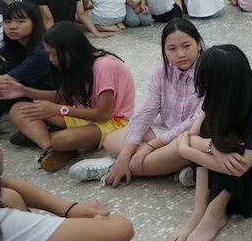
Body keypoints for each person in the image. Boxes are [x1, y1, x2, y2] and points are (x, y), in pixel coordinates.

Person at [0, 109, 215, 241]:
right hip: (142, 134)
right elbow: (121, 229)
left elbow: (6, 185)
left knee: (9, 195)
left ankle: (118, 165)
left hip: (124, 129)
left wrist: (70, 209)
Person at [167, 45, 252, 241]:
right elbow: (193, 134)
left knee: (232, 146)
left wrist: (186, 151)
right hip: (242, 157)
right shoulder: (224, 88)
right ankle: (199, 210)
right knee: (213, 131)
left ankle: (215, 212)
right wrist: (213, 148)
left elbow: (241, 166)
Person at [69, 19, 205, 186]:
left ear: (198, 44)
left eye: (187, 46)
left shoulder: (210, 70)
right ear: (164, 50)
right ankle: (170, 166)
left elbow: (193, 122)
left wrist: (149, 147)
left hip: (193, 134)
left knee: (183, 148)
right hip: (165, 127)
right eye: (172, 49)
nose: (181, 54)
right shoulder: (162, 70)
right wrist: (126, 155)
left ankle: (112, 168)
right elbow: (147, 111)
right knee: (112, 141)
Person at [2, 22, 135, 171]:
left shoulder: (104, 66)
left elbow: (104, 114)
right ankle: (49, 148)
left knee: (61, 140)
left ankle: (48, 137)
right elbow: (63, 98)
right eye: (49, 54)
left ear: (69, 50)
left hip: (113, 122)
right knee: (19, 109)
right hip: (84, 116)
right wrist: (24, 91)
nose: (51, 59)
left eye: (54, 54)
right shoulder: (76, 63)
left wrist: (60, 110)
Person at [0, 2, 55, 121]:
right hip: (22, 90)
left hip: (49, 97)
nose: (12, 27)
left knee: (5, 68)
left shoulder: (42, 51)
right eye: (7, 22)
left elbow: (2, 84)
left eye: (20, 21)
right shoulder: (15, 43)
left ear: (34, 22)